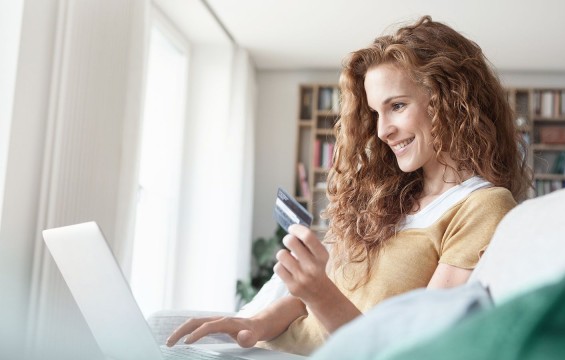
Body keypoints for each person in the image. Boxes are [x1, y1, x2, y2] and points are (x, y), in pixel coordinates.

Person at [165, 15, 531, 356]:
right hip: (278, 347)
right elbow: (317, 295)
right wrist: (255, 322)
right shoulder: (391, 197)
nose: (382, 130)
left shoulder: (482, 206)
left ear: (450, 102)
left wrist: (319, 293)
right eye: (375, 113)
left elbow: (417, 352)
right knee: (160, 327)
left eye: (397, 106)